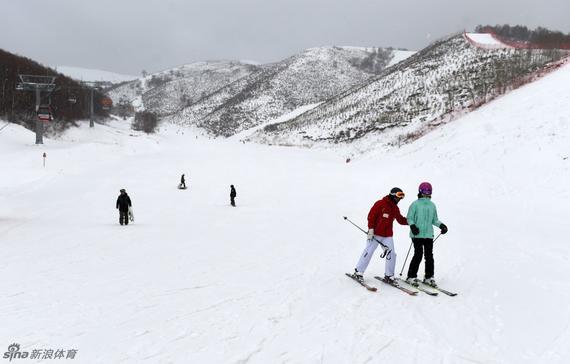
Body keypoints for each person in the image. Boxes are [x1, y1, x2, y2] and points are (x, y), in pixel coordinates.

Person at [353, 187, 408, 283]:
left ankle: (389, 276)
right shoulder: (380, 204)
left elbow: (401, 220)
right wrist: (371, 229)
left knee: (391, 254)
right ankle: (358, 272)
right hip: (375, 234)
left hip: (387, 235)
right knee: (369, 251)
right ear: (393, 195)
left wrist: (412, 222)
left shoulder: (395, 208)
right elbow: (371, 216)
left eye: (401, 197)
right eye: (398, 196)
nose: (399, 199)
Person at [405, 182, 448, 287]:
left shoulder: (432, 205)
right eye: (425, 191)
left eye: (429, 191)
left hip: (428, 234)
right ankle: (411, 276)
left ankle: (428, 277)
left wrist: (441, 225)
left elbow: (435, 220)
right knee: (418, 254)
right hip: (417, 234)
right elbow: (409, 217)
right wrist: (413, 226)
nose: (427, 193)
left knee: (429, 256)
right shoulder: (415, 204)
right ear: (420, 191)